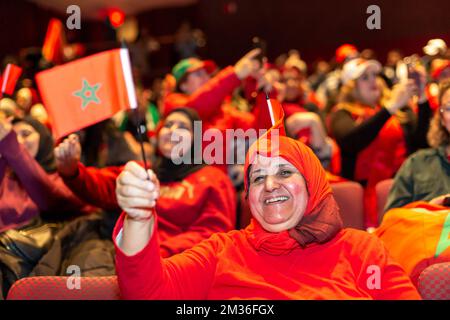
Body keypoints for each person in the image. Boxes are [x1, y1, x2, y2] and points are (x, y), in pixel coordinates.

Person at [113, 131, 420, 300]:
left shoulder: (362, 251)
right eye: (257, 178)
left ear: (312, 183)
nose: (270, 185)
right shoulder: (223, 251)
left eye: (285, 172)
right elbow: (146, 292)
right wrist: (138, 217)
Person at [55, 108, 236, 257]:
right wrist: (72, 170)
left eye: (183, 127)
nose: (173, 130)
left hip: (178, 267)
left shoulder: (213, 178)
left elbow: (213, 234)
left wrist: (155, 253)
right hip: (124, 258)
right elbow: (102, 185)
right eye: (168, 125)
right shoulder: (143, 170)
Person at [328, 58, 432, 226]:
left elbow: (422, 141)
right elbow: (351, 142)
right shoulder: (342, 114)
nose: (373, 80)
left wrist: (422, 96)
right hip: (360, 199)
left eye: (374, 75)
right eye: (364, 77)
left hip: (400, 190)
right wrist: (390, 108)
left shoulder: (396, 112)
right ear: (350, 87)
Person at [0, 113, 91, 298]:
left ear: (44, 139)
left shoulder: (62, 175)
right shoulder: (6, 176)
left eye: (26, 134)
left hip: (30, 266)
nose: (19, 141)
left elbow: (51, 199)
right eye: (14, 135)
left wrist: (9, 143)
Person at [384, 80, 450, 211]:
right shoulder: (417, 163)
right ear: (442, 119)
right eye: (449, 108)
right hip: (427, 229)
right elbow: (391, 219)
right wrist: (428, 208)